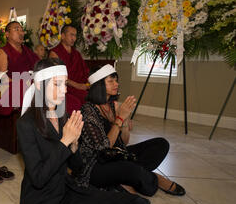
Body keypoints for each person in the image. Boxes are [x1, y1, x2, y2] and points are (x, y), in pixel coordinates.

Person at [17, 58, 148, 204]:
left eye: (65, 83)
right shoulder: (26, 124)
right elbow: (38, 178)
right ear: (39, 85)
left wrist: (74, 147)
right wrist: (64, 143)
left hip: (67, 191)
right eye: (58, 84)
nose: (64, 90)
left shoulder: (64, 117)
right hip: (41, 202)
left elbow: (77, 168)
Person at [72, 64, 186, 197]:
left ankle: (130, 176)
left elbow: (123, 143)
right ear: (99, 85)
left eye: (116, 80)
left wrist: (124, 122)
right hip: (97, 164)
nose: (116, 84)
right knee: (134, 171)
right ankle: (156, 179)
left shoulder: (111, 105)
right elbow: (103, 148)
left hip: (117, 155)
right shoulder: (88, 111)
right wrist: (119, 119)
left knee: (161, 144)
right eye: (111, 81)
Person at [0, 21, 40, 106]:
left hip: (32, 87)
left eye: (22, 30)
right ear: (7, 34)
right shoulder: (2, 52)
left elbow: (39, 66)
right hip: (14, 91)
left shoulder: (27, 50)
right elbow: (3, 79)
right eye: (16, 29)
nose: (21, 33)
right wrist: (24, 84)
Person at [49, 25, 90, 115]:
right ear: (63, 36)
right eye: (71, 35)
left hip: (79, 87)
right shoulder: (54, 53)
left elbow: (85, 71)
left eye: (75, 35)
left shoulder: (76, 54)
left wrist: (88, 84)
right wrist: (78, 85)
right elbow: (57, 77)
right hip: (62, 88)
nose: (74, 38)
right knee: (77, 102)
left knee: (94, 96)